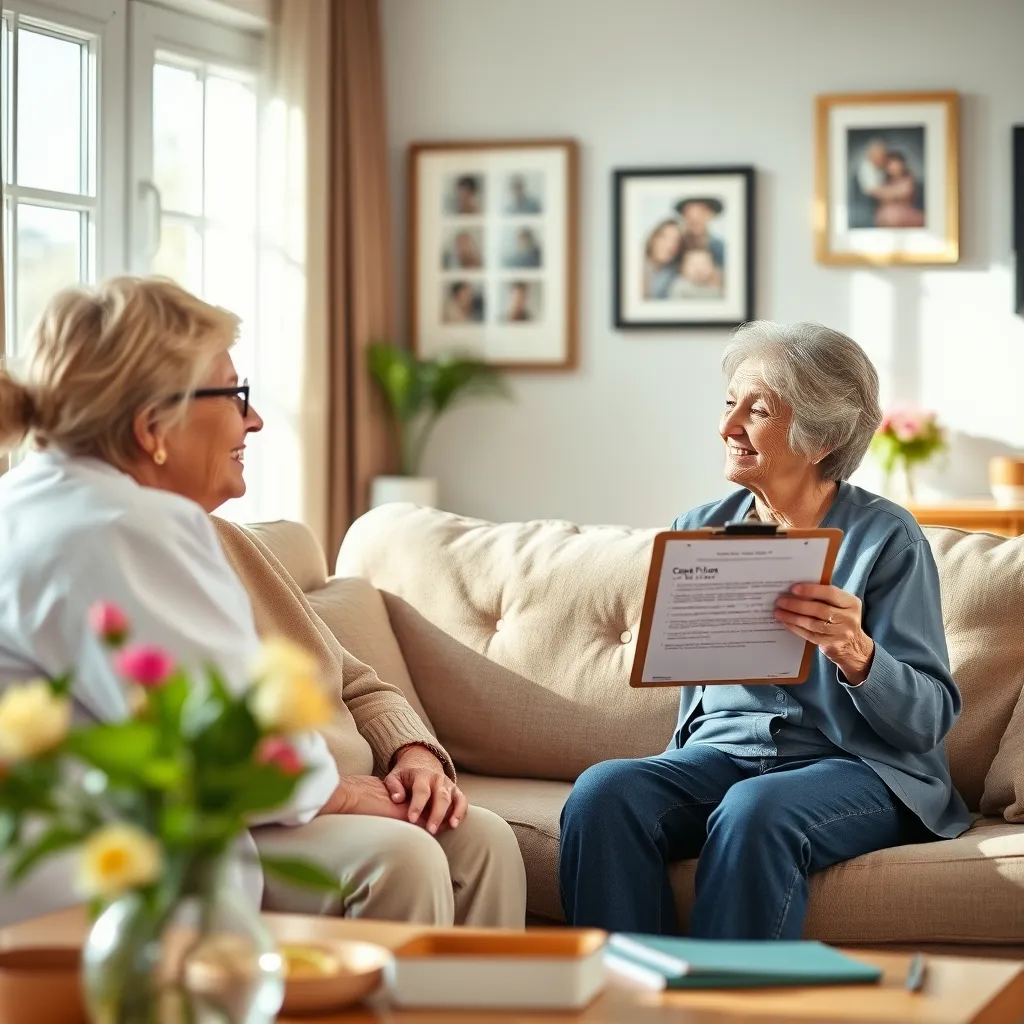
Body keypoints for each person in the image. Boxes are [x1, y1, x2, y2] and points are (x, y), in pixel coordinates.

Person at [0, 276, 526, 928]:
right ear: (152, 426)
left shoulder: (72, 506)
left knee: (480, 837)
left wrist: (392, 768)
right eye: (234, 395)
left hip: (169, 836)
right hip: (110, 881)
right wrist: (348, 792)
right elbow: (225, 745)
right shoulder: (120, 529)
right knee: (408, 852)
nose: (254, 419)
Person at [559, 320, 971, 939]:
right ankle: (629, 997)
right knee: (603, 793)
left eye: (758, 411)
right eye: (730, 404)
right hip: (721, 757)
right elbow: (686, 688)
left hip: (859, 768)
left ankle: (732, 1006)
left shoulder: (888, 539)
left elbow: (928, 722)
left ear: (820, 436)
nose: (728, 428)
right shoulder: (699, 529)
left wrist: (858, 654)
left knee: (755, 811)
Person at [873, 151, 925, 228]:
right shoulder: (885, 180)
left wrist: (885, 193)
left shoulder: (908, 179)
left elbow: (901, 192)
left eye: (896, 164)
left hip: (905, 213)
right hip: (886, 214)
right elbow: (879, 195)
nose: (893, 167)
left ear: (902, 165)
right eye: (890, 165)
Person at [675, 197, 725, 270]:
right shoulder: (674, 247)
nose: (695, 217)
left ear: (710, 215)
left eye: (701, 213)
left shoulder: (720, 248)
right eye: (689, 214)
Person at [642, 219, 683, 300]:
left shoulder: (674, 272)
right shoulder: (635, 266)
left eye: (676, 241)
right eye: (664, 238)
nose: (670, 245)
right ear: (653, 239)